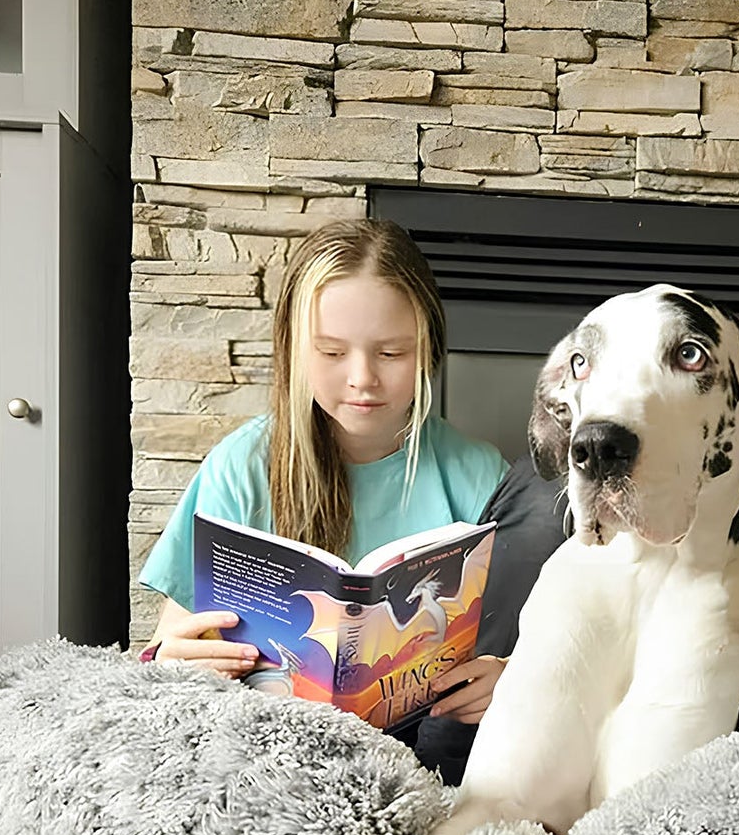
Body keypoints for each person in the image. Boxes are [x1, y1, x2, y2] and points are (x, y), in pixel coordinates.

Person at [137, 217, 515, 749]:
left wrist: (509, 680)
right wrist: (170, 658)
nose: (362, 377)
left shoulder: (479, 477)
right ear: (295, 351)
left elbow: (519, 652)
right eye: (332, 353)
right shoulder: (243, 465)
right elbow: (168, 646)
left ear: (429, 350)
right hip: (264, 747)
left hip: (430, 751)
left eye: (391, 353)